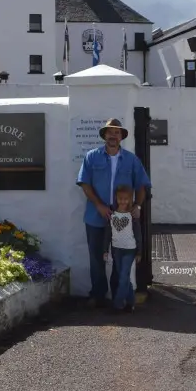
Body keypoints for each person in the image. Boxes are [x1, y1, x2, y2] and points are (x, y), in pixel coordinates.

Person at [77, 118, 151, 307]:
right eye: (110, 131)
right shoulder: (91, 157)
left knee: (119, 258)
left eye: (117, 132)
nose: (113, 135)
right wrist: (99, 205)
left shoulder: (131, 159)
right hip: (96, 214)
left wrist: (137, 205)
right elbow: (84, 183)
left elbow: (142, 184)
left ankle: (119, 296)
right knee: (96, 256)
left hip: (123, 218)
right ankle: (98, 295)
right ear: (104, 135)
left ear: (121, 136)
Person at [103, 184, 143, 312]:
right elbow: (107, 233)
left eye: (126, 199)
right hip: (116, 249)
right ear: (116, 198)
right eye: (120, 198)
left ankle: (117, 304)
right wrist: (105, 250)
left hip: (129, 249)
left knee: (123, 277)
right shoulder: (112, 214)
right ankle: (130, 303)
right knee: (123, 276)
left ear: (130, 199)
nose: (123, 201)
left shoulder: (132, 215)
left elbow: (138, 234)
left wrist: (139, 252)